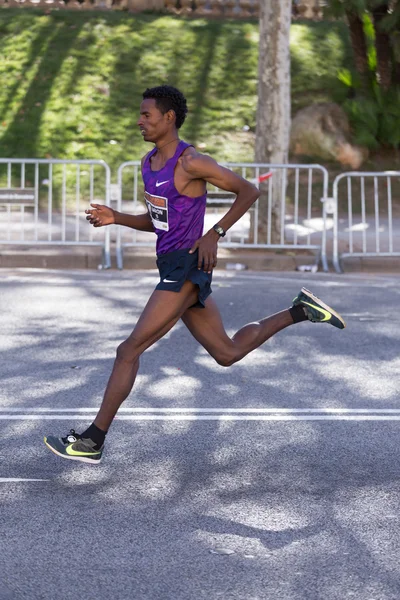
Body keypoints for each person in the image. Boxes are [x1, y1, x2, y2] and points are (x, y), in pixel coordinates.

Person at [44, 85, 345, 465]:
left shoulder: (191, 163)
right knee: (227, 352)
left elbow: (248, 191)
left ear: (169, 118)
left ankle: (92, 440)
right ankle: (300, 310)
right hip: (172, 263)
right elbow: (159, 224)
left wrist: (213, 234)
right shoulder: (148, 163)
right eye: (139, 115)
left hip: (186, 269)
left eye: (146, 115)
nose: (139, 121)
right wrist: (116, 217)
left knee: (128, 350)